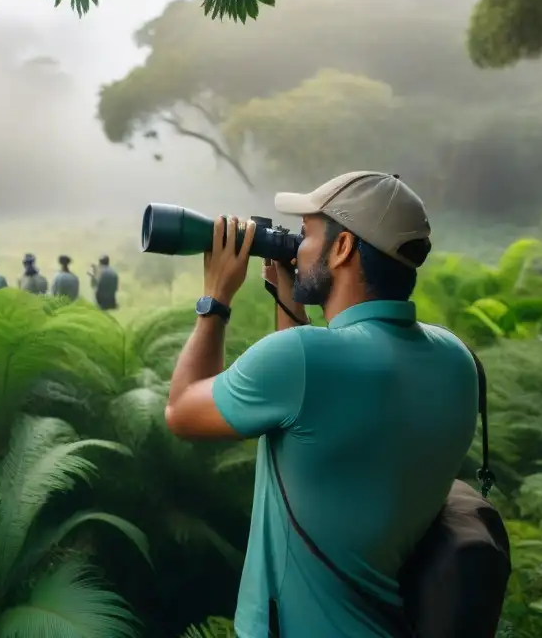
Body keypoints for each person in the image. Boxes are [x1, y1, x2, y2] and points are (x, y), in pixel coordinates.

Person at [163, 172, 478, 638]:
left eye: (307, 234)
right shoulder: (456, 358)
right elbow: (313, 409)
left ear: (344, 247)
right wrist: (293, 297)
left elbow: (181, 411)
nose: (296, 247)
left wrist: (216, 297)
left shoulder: (303, 361)